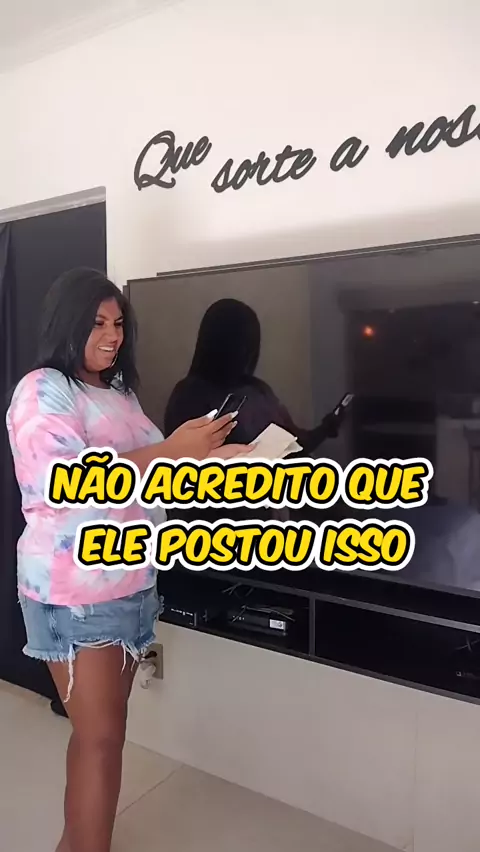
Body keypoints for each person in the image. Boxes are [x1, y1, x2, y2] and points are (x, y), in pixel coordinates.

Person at [6, 269, 250, 852]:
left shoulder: (118, 393)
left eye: (118, 323)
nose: (113, 335)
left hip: (130, 582)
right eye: (97, 323)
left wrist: (219, 459)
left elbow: (151, 475)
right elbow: (63, 482)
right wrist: (170, 449)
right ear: (67, 323)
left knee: (99, 738)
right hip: (77, 593)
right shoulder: (43, 389)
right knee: (102, 741)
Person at [165, 297, 344, 451]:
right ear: (218, 344)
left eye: (251, 345)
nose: (247, 353)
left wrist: (325, 428)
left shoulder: (259, 390)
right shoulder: (188, 396)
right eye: (240, 345)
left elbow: (296, 443)